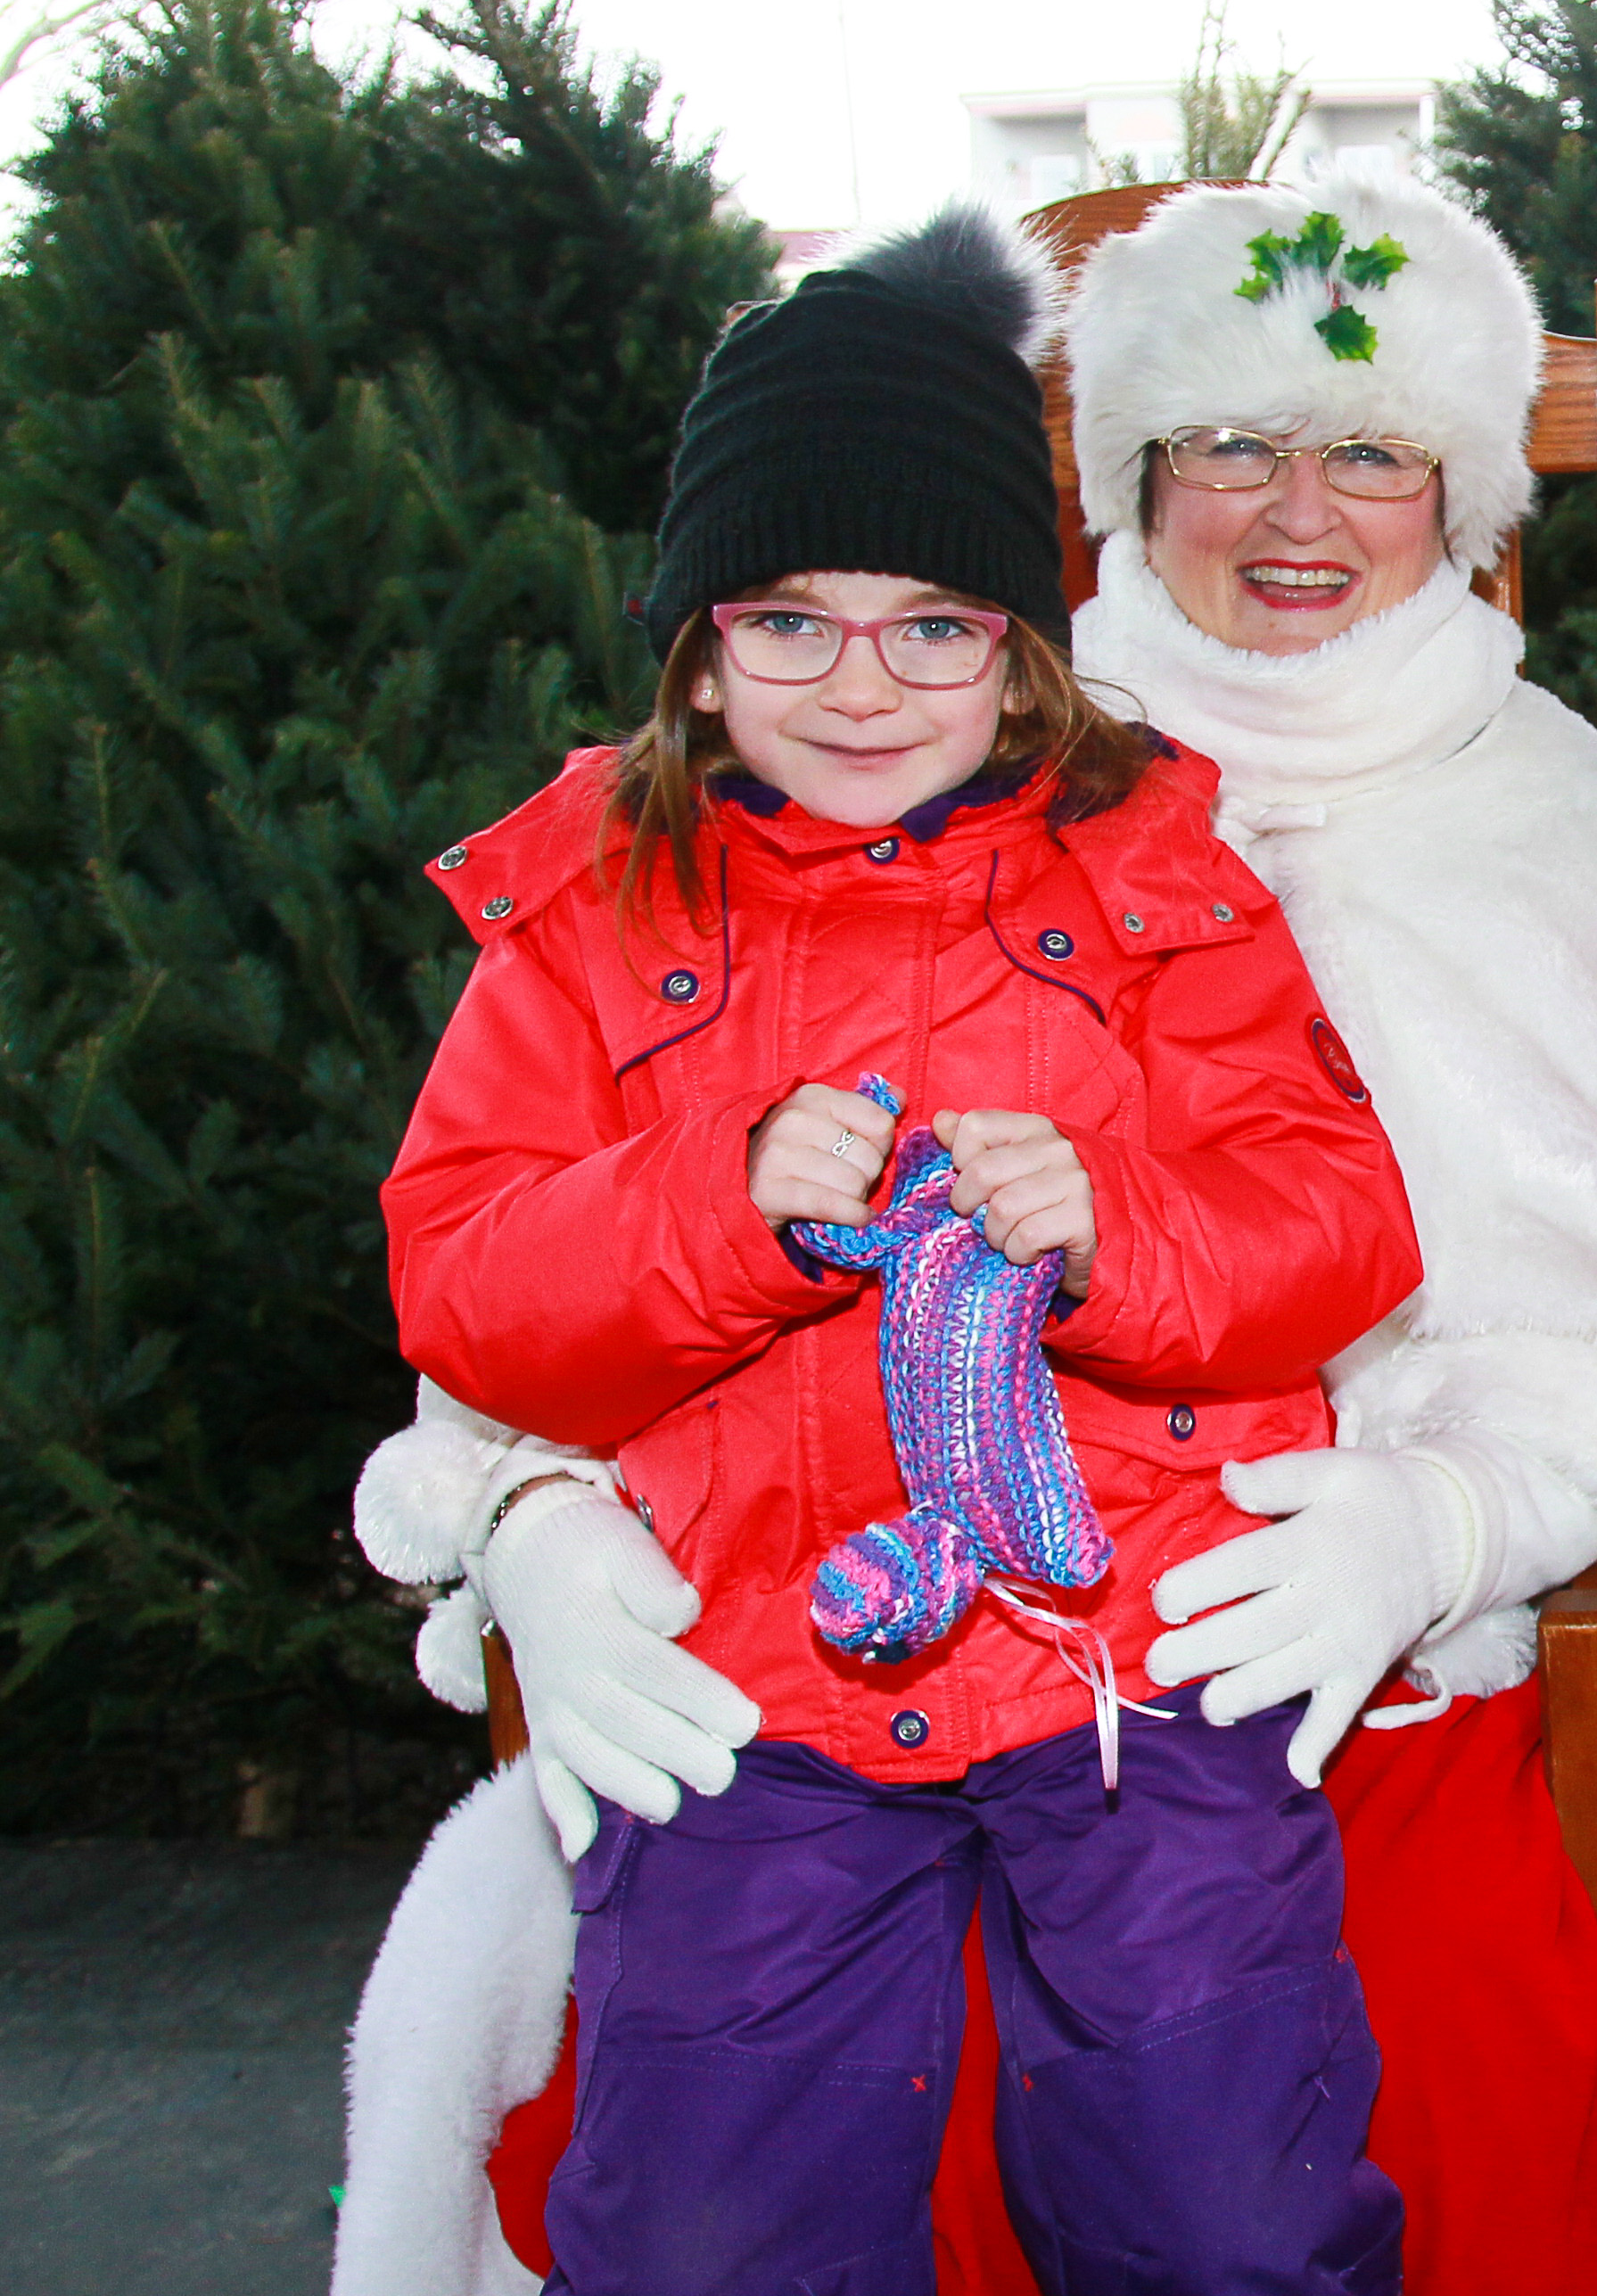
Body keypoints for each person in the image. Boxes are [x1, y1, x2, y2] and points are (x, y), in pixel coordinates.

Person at [336, 160, 1597, 2296]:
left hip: (1300, 1661)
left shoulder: (1545, 807)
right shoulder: (864, 776)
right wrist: (540, 1529)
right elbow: (501, 1268)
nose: (1297, 510)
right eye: (1231, 443)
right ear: (1127, 481)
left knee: (1324, 2091)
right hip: (778, 1645)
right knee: (681, 2124)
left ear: (1469, 498)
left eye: (1372, 453)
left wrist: (1465, 1519)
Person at [375, 208, 1420, 2293]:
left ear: (1025, 645)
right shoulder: (595, 907)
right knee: (698, 2234)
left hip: (1130, 1659)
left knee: (1225, 2209)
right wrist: (715, 1203)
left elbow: (1337, 1221)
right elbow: (468, 1281)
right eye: (788, 623)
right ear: (697, 643)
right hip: (746, 1667)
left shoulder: (1164, 883)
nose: (862, 685)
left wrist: (1120, 1236)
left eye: (934, 626)